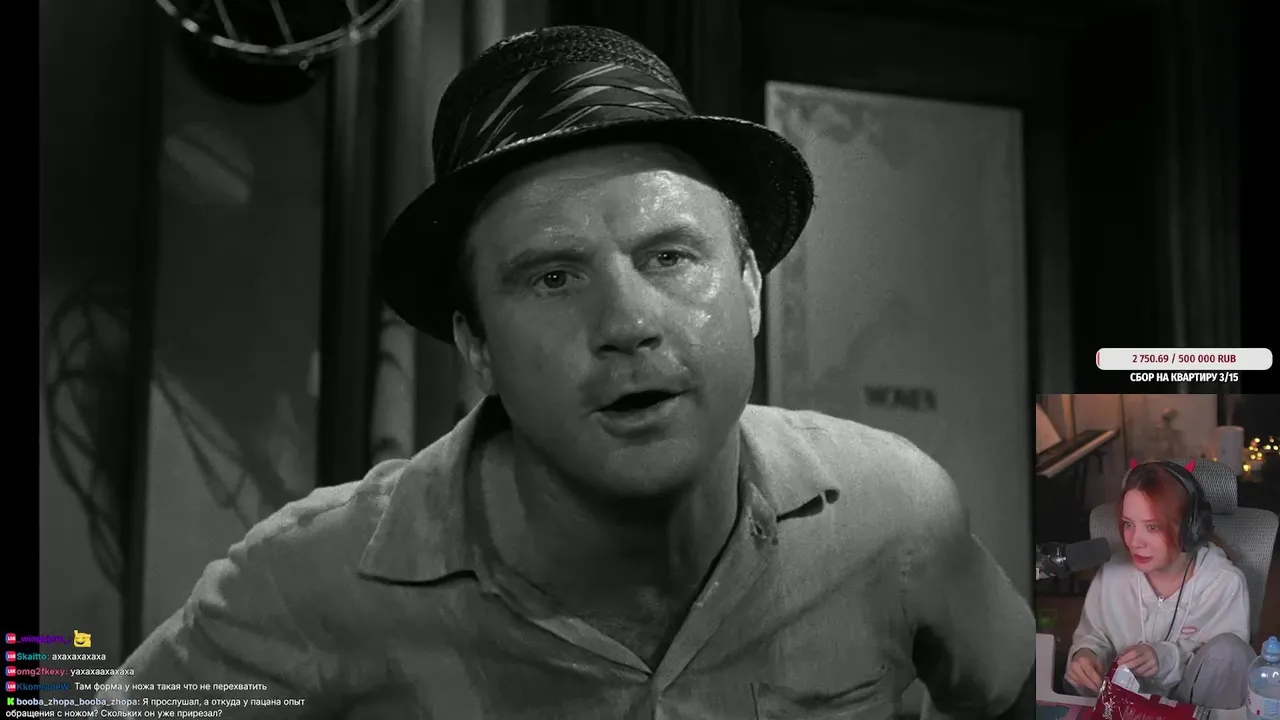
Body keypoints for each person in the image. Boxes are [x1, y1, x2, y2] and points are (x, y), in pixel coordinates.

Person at [101, 25, 1032, 717]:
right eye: (552, 277)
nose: (628, 324)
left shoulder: (893, 512)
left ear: (750, 285)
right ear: (477, 345)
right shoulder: (311, 580)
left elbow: (1023, 688)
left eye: (671, 257)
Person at [1066, 459, 1254, 709]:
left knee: (1230, 650)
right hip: (1120, 709)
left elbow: (1227, 667)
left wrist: (1165, 658)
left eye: (1152, 527)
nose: (1135, 541)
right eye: (1128, 524)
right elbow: (1093, 635)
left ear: (1189, 528)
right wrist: (1086, 655)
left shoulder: (1224, 583)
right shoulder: (1112, 572)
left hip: (1197, 710)